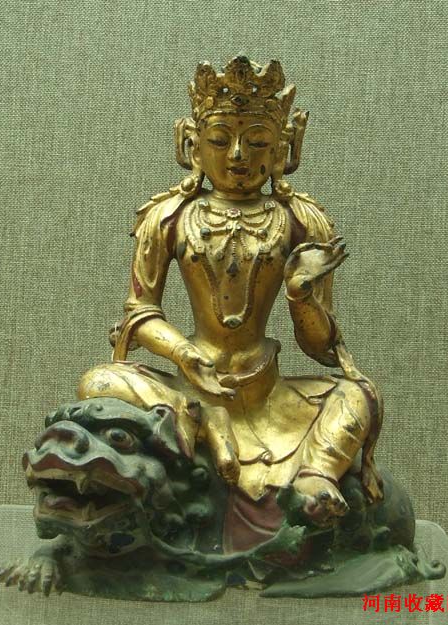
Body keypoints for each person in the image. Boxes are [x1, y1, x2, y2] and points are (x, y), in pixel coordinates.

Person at [77, 56, 383, 552]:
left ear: (283, 151)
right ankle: (197, 416)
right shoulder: (168, 217)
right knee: (98, 381)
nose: (238, 155)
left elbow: (321, 345)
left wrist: (301, 294)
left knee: (357, 395)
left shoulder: (302, 221)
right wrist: (183, 354)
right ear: (191, 144)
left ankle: (316, 475)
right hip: (192, 382)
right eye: (220, 140)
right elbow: (139, 312)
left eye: (256, 142)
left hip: (269, 392)